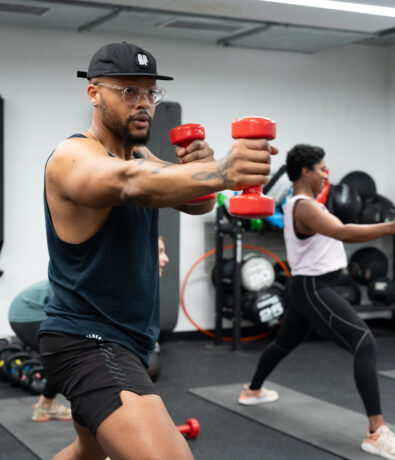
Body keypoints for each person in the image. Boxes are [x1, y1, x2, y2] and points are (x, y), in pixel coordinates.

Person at [38, 41, 275, 460]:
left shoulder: (141, 153)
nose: (144, 102)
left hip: (127, 340)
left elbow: (193, 201)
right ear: (94, 93)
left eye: (150, 92)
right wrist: (221, 171)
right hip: (88, 341)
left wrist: (202, 170)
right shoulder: (72, 157)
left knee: (87, 453)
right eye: (129, 91)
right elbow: (130, 183)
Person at [238, 144, 395, 459]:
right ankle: (376, 432)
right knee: (365, 344)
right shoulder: (304, 206)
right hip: (313, 288)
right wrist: (391, 226)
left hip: (305, 287)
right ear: (306, 171)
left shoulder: (305, 203)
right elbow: (344, 232)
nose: (326, 174)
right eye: (322, 168)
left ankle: (252, 390)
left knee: (283, 344)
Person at [8, 236, 169, 422]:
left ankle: (47, 405)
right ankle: (91, 420)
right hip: (28, 310)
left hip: (39, 309)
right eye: (159, 252)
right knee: (70, 354)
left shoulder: (127, 277)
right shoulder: (113, 274)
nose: (165, 259)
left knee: (68, 355)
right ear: (141, 254)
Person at [8, 280, 72, 422]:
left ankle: (46, 402)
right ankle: (46, 405)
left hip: (24, 312)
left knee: (59, 358)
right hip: (29, 314)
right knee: (61, 357)